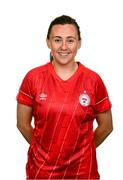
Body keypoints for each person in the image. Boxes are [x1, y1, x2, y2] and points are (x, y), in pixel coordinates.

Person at [16, 15, 113, 179]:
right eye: (57, 40)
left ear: (79, 43)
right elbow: (22, 124)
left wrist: (83, 151)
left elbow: (106, 126)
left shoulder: (93, 80)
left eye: (70, 40)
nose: (63, 47)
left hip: (83, 172)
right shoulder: (33, 78)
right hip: (42, 172)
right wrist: (45, 151)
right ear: (48, 42)